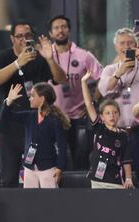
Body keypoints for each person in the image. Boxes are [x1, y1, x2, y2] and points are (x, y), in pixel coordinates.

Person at [0, 20, 66, 187]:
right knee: (8, 179)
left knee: (43, 177)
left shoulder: (40, 59)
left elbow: (61, 79)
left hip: (38, 129)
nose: (24, 39)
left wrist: (50, 59)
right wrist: (18, 63)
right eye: (20, 36)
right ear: (12, 39)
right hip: (10, 128)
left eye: (28, 35)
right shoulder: (2, 57)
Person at [98, 27, 139, 188]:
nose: (126, 46)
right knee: (117, 175)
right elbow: (104, 90)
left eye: (130, 43)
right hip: (116, 132)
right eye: (122, 43)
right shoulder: (110, 69)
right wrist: (118, 73)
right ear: (116, 47)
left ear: (136, 45)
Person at [48, 15, 103, 170]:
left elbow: (102, 77)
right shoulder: (46, 56)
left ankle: (81, 193)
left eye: (64, 27)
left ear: (69, 30)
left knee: (81, 159)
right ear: (51, 33)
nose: (60, 30)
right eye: (56, 28)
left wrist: (92, 102)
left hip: (79, 116)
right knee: (57, 160)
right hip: (55, 116)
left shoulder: (84, 55)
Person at [2, 83, 70, 188]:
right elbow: (7, 118)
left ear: (42, 99)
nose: (30, 98)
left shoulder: (54, 120)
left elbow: (62, 145)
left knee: (50, 200)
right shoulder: (30, 116)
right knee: (29, 200)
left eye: (33, 96)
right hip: (29, 167)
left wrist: (60, 167)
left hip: (48, 167)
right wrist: (9, 102)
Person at [81, 71, 133, 189]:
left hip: (114, 181)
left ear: (119, 115)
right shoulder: (99, 128)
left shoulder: (123, 135)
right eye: (108, 113)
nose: (112, 116)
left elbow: (126, 160)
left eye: (115, 113)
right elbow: (89, 104)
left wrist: (128, 178)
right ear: (102, 117)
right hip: (96, 180)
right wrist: (83, 82)